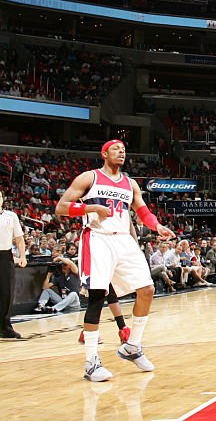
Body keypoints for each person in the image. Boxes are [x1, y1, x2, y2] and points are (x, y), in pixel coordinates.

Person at [55, 140, 176, 382]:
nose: (121, 152)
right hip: (98, 239)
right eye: (116, 149)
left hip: (124, 240)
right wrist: (91, 209)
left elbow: (142, 211)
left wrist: (157, 225)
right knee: (98, 297)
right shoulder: (89, 178)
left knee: (147, 289)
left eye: (123, 149)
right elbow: (61, 207)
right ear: (104, 153)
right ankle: (91, 363)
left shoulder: (130, 183)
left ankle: (133, 346)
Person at [0, 190, 27, 339]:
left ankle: (5, 327)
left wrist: (22, 256)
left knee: (6, 293)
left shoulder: (11, 216)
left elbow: (19, 238)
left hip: (5, 255)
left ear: (2, 199)